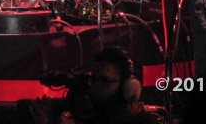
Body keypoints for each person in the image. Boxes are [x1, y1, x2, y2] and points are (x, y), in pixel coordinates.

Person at [20, 47, 163, 124]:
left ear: (130, 88)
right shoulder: (94, 111)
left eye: (105, 81)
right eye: (93, 79)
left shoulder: (141, 121)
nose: (94, 86)